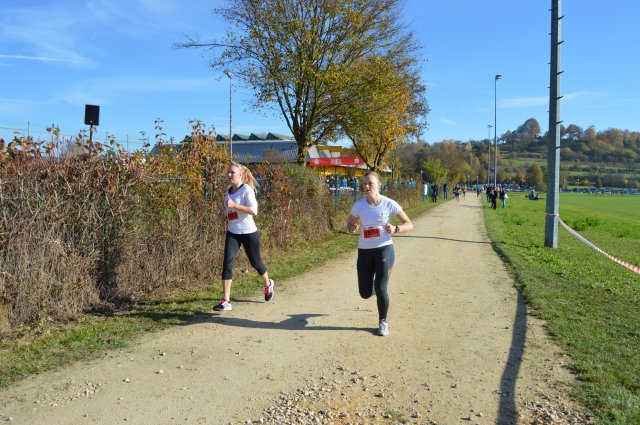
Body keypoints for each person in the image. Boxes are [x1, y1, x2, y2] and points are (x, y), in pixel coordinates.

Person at [347, 171, 413, 336]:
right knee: (365, 293)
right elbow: (350, 223)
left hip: (384, 248)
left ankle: (383, 322)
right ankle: (373, 286)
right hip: (365, 251)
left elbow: (409, 224)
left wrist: (396, 228)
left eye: (370, 183)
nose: (366, 186)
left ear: (379, 185)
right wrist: (352, 227)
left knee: (381, 288)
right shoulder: (359, 205)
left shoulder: (389, 203)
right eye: (364, 183)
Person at [213, 161, 274, 312]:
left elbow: (254, 211)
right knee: (227, 263)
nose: (229, 174)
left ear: (240, 175)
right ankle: (226, 301)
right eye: (228, 172)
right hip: (233, 232)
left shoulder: (246, 189)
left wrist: (234, 206)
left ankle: (268, 284)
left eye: (232, 172)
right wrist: (224, 213)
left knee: (256, 263)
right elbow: (229, 209)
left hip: (249, 233)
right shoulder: (228, 190)